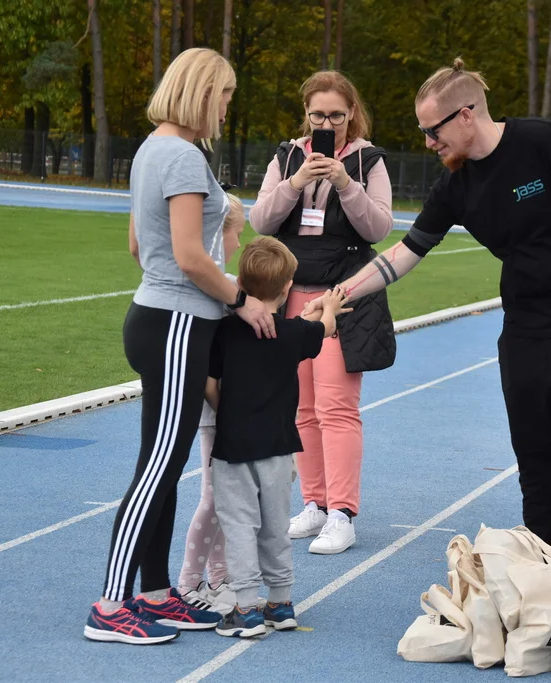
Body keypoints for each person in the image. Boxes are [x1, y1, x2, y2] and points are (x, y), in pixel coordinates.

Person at [306, 58, 551, 552]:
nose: (428, 142)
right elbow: (405, 253)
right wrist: (336, 295)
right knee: (535, 460)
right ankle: (544, 576)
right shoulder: (457, 184)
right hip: (525, 328)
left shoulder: (545, 143)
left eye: (433, 130)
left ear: (465, 115)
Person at [84, 47, 274, 646]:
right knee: (157, 467)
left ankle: (158, 594)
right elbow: (190, 257)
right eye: (224, 95)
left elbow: (140, 248)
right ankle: (111, 606)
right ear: (201, 92)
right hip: (176, 325)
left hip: (159, 317)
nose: (225, 107)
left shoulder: (151, 150)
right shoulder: (185, 157)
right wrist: (242, 299)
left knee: (161, 463)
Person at [248, 70, 396, 555]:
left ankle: (342, 513)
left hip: (343, 296)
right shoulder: (287, 156)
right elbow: (260, 222)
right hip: (292, 295)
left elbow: (378, 227)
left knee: (336, 406)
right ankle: (314, 503)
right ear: (306, 114)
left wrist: (344, 182)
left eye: (335, 114)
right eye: (317, 115)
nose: (326, 122)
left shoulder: (368, 160)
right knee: (300, 407)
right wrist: (294, 183)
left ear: (351, 111)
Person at [205, 237, 350, 637]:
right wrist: (328, 307)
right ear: (287, 287)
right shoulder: (292, 334)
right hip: (279, 449)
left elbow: (209, 383)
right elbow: (323, 327)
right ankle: (281, 602)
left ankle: (246, 607)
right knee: (274, 526)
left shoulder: (224, 333)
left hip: (234, 447)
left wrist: (227, 410)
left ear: (242, 287)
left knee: (238, 525)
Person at [176, 193, 246, 617]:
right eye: (238, 231)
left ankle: (219, 576)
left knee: (224, 496)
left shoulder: (227, 280)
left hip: (227, 408)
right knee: (213, 496)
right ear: (220, 233)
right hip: (214, 410)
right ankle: (187, 581)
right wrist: (223, 407)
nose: (241, 239)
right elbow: (205, 365)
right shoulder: (213, 288)